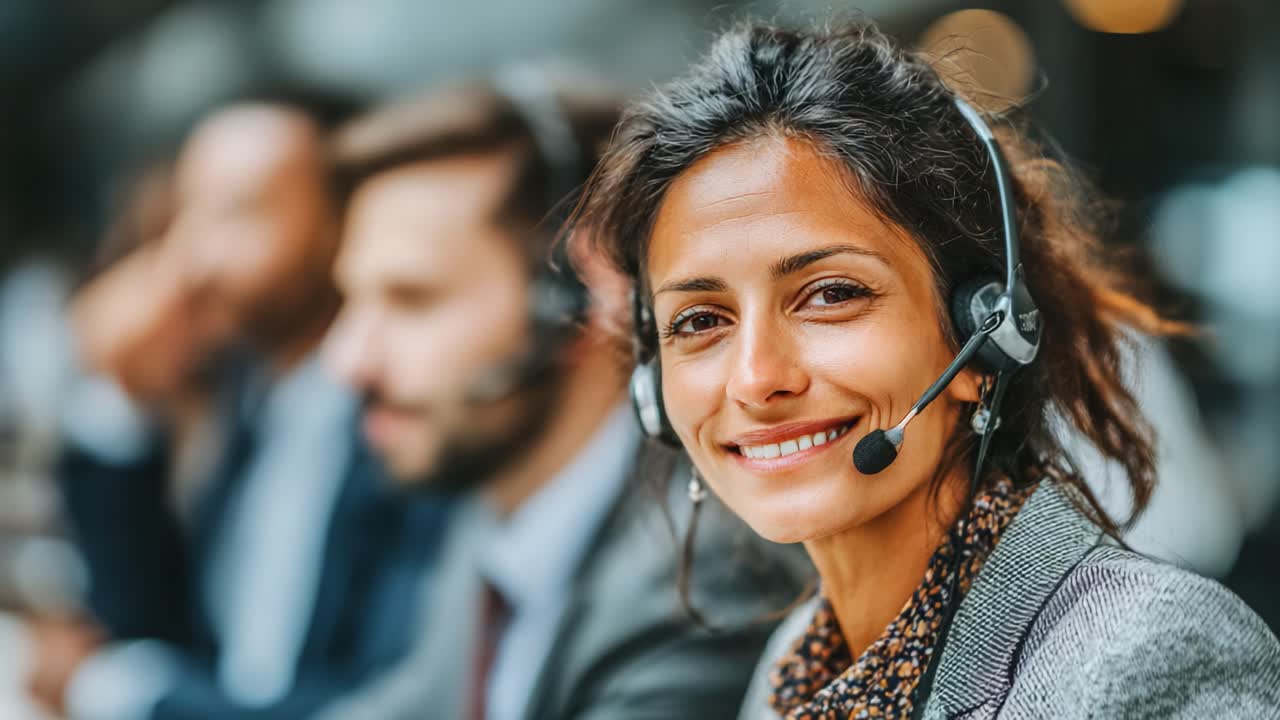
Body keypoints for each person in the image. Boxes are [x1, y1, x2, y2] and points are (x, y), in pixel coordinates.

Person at [570, 20, 1280, 719]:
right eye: (699, 321)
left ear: (986, 334)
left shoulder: (1146, 658)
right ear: (652, 392)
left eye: (831, 295)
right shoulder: (797, 671)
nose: (756, 378)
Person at [317, 68, 808, 720]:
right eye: (351, 299)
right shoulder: (502, 501)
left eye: (412, 300)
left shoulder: (709, 578)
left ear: (580, 299)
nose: (346, 360)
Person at [32, 99, 449, 719]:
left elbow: (380, 702)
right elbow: (150, 627)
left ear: (337, 223)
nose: (193, 259)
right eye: (186, 213)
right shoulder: (249, 403)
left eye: (238, 213)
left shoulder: (410, 421)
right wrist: (121, 394)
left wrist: (121, 692)